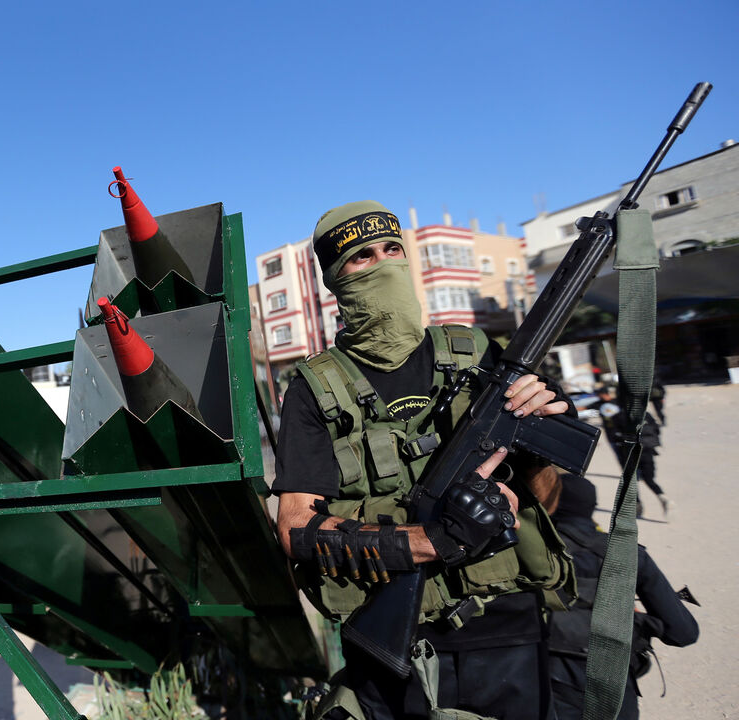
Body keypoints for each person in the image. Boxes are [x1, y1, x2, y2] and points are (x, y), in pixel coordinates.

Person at [275, 201, 576, 720]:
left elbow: (546, 503)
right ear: (335, 278)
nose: (383, 264)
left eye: (392, 249)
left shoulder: (476, 353)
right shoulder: (313, 388)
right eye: (361, 257)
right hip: (395, 640)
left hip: (505, 622)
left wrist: (536, 444)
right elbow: (296, 528)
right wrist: (431, 540)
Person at [547, 473, 698, 719]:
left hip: (540, 687)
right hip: (612, 691)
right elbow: (684, 633)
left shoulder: (525, 553)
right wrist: (638, 622)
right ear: (591, 507)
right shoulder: (627, 554)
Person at [594, 384, 670, 519]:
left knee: (630, 478)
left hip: (628, 451)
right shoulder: (645, 414)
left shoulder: (618, 415)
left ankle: (638, 505)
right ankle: (662, 496)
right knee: (649, 479)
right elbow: (656, 429)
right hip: (647, 449)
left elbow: (614, 433)